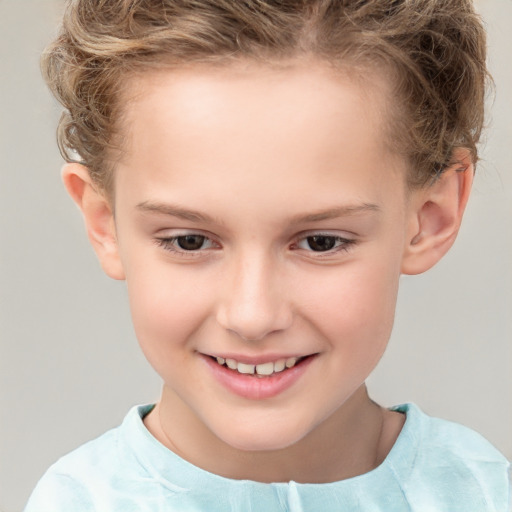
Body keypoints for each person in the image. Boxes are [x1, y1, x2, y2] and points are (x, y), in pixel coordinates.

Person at [25, 0, 510, 510]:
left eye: (321, 242)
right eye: (189, 240)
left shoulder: (487, 494)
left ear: (430, 217)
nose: (252, 316)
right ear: (106, 224)